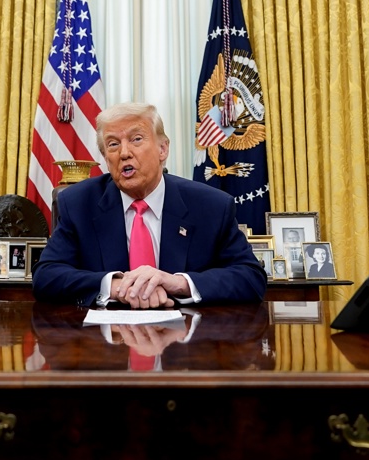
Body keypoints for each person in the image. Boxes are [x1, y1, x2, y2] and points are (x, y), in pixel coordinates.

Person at [33, 102, 266, 307]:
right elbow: (46, 276)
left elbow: (250, 278)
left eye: (136, 139)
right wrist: (116, 287)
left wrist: (178, 283)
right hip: (106, 346)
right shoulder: (78, 203)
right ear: (106, 158)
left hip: (187, 345)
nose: (124, 153)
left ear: (163, 149)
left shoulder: (211, 206)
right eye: (113, 145)